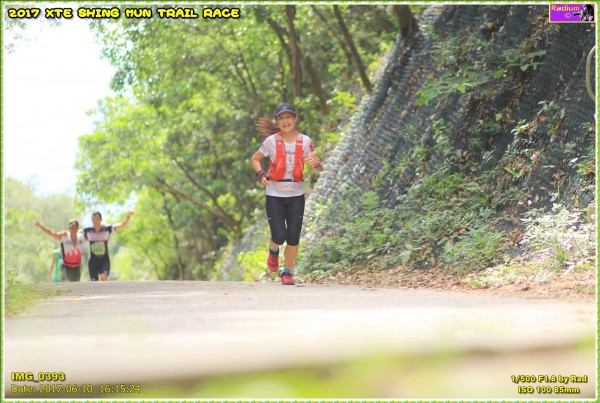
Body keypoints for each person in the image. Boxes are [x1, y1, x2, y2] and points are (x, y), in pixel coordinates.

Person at [250, 103, 322, 285]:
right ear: (277, 122)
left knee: (293, 237)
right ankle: (273, 250)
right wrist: (260, 174)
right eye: (281, 118)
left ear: (295, 119)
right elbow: (255, 159)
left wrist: (315, 163)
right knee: (279, 235)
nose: (285, 121)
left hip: (296, 194)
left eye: (288, 117)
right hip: (275, 194)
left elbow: (317, 162)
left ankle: (287, 273)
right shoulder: (271, 142)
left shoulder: (305, 141)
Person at [82, 210, 134, 281]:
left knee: (104, 277)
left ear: (101, 219)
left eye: (97, 218)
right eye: (93, 219)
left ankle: (105, 288)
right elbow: (76, 234)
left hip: (104, 260)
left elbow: (122, 225)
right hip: (93, 262)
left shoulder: (106, 229)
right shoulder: (88, 231)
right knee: (94, 284)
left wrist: (128, 216)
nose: (95, 221)